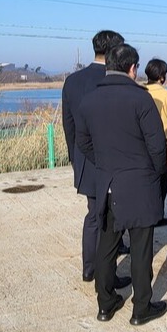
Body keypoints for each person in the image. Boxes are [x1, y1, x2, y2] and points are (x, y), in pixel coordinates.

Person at [75, 43, 167, 326]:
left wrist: (105, 164)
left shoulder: (89, 101)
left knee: (107, 246)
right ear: (132, 68)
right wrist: (152, 174)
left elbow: (84, 143)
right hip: (139, 184)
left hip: (106, 183)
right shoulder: (142, 100)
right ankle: (141, 308)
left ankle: (105, 304)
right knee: (141, 249)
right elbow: (158, 147)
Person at [61, 29, 125, 282]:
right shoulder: (114, 80)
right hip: (112, 159)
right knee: (109, 217)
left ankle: (90, 268)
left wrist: (74, 157)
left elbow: (68, 124)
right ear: (113, 52)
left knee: (92, 214)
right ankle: (106, 273)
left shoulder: (72, 81)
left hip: (84, 158)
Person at [145, 58, 167, 227]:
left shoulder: (141, 90)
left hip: (143, 144)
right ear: (162, 77)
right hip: (161, 143)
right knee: (161, 181)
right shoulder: (165, 95)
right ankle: (158, 215)